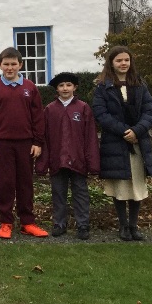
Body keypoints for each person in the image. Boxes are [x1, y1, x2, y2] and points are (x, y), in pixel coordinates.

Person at [0, 47, 48, 239]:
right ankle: (6, 222)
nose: (10, 68)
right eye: (6, 64)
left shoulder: (30, 87)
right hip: (1, 144)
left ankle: (28, 222)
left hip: (26, 144)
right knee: (5, 183)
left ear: (20, 65)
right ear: (0, 65)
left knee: (25, 183)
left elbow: (37, 116)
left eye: (13, 64)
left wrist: (37, 141)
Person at [92, 46, 152, 241]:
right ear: (111, 63)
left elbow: (149, 111)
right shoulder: (103, 87)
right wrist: (123, 131)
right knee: (120, 185)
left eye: (126, 60)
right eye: (119, 60)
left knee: (136, 184)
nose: (123, 64)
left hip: (138, 143)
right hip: (115, 142)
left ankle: (133, 226)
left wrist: (137, 131)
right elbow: (101, 114)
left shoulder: (139, 84)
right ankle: (122, 226)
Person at [36, 72, 100, 240]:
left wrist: (92, 162)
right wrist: (43, 163)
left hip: (78, 160)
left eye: (68, 85)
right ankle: (59, 223)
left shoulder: (83, 108)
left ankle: (83, 224)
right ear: (56, 89)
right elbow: (45, 138)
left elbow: (90, 137)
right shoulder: (50, 109)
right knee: (58, 193)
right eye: (61, 85)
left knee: (80, 193)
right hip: (57, 160)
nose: (65, 88)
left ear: (75, 87)